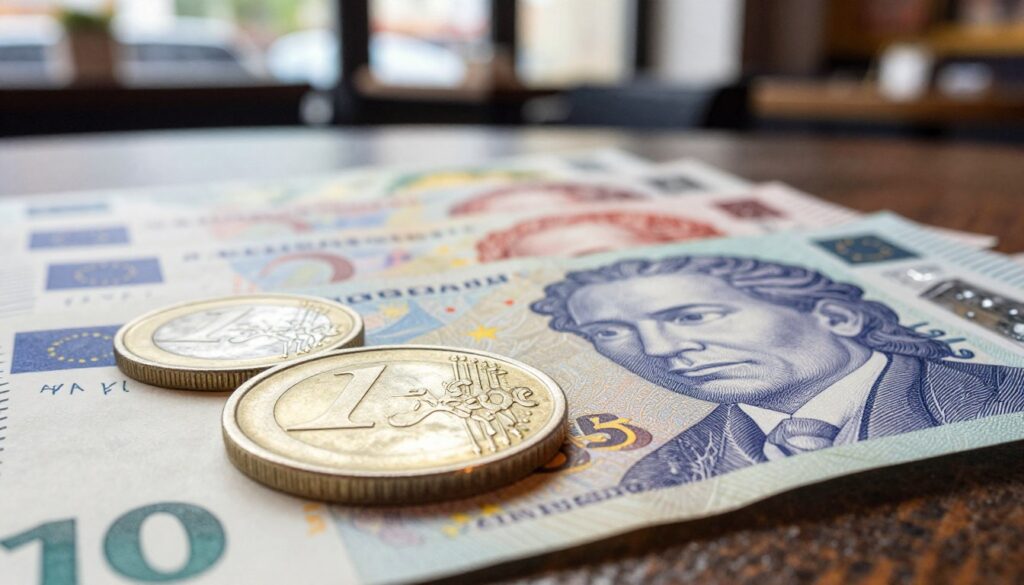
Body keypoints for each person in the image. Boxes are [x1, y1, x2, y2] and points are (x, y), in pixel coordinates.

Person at [530, 256, 1024, 489]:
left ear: (836, 317)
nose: (660, 350)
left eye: (692, 316)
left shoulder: (1007, 397)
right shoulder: (662, 474)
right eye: (610, 333)